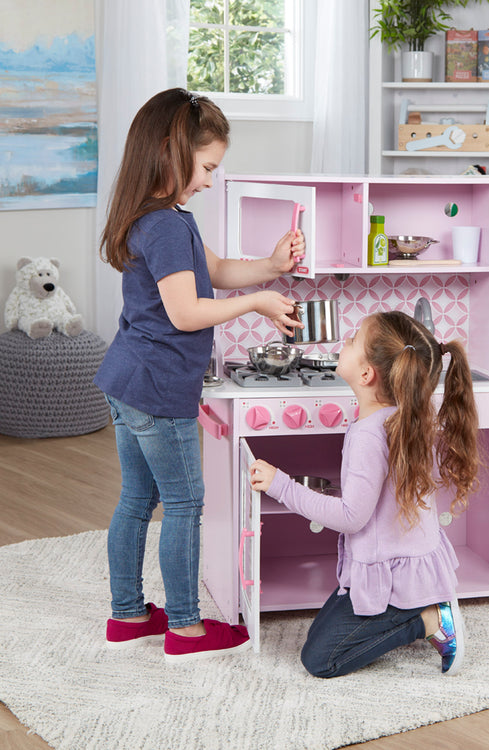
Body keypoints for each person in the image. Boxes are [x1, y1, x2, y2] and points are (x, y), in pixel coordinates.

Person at [95, 88, 305, 663]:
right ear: (171, 151)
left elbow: (214, 271)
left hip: (127, 381)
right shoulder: (164, 227)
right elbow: (187, 312)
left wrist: (269, 264)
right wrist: (261, 300)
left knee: (137, 498)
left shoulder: (162, 219)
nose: (211, 180)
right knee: (185, 501)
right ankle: (185, 628)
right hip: (159, 388)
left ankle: (128, 613)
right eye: (208, 166)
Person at [250, 310, 480, 677]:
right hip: (404, 563)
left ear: (366, 374)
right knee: (324, 632)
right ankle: (418, 606)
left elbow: (350, 517)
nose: (345, 341)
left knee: (320, 659)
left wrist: (281, 486)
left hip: (392, 575)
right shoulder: (403, 416)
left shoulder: (370, 434)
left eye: (354, 339)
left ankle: (429, 619)